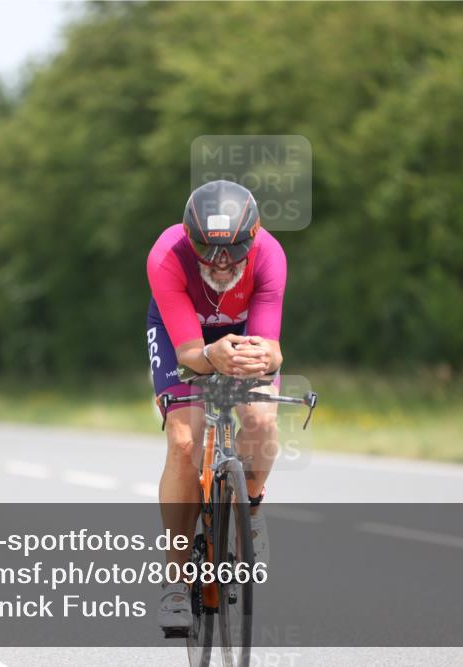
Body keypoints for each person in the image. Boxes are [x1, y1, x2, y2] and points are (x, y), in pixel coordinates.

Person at [146, 180, 286, 632]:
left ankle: (254, 508)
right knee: (184, 442)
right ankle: (174, 580)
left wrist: (264, 357)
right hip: (182, 337)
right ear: (191, 239)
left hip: (244, 333)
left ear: (254, 237)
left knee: (262, 421)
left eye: (234, 250)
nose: (222, 263)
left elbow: (273, 347)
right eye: (208, 249)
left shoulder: (270, 255)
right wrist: (210, 356)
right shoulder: (167, 256)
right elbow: (190, 354)